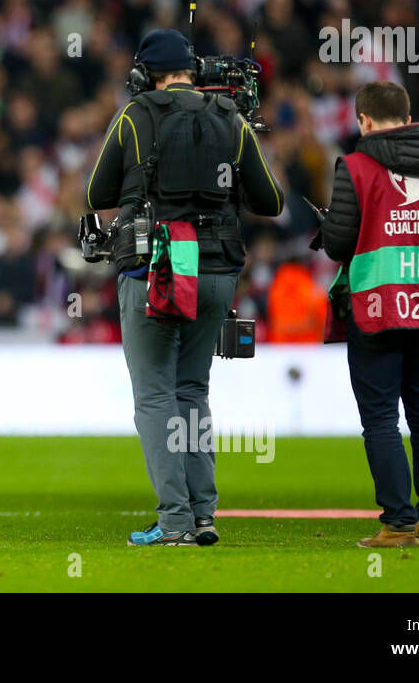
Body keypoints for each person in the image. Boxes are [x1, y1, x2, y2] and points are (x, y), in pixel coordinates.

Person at [84, 28, 284, 547]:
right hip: (217, 267)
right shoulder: (231, 118)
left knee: (154, 395)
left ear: (144, 75)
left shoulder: (134, 116)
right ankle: (203, 515)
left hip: (157, 266)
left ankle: (173, 519)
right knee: (192, 390)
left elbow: (96, 192)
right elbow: (271, 202)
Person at [320, 81, 419, 548]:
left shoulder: (356, 167)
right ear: (407, 118)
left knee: (382, 418)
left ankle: (398, 523)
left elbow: (339, 244)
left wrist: (329, 224)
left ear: (363, 121)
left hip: (377, 303)